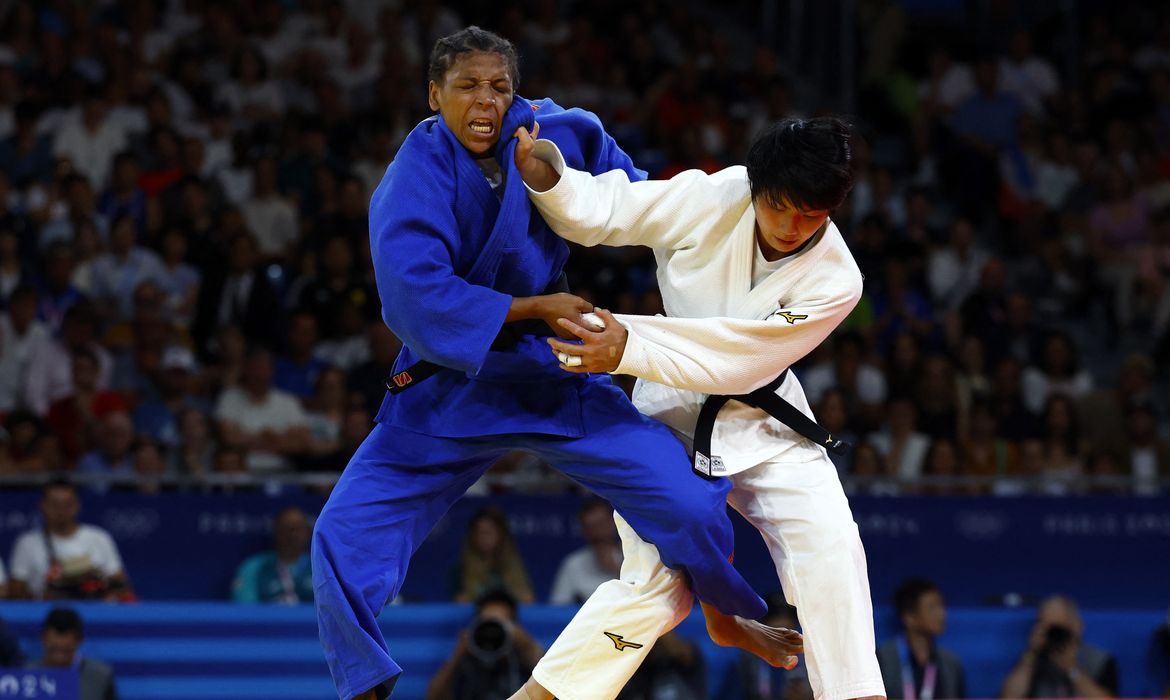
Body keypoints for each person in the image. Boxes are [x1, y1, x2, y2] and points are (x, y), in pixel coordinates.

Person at [311, 26, 791, 700]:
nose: (485, 102)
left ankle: (722, 611)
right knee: (343, 533)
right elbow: (417, 295)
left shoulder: (552, 131)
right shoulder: (411, 179)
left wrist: (586, 198)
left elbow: (633, 200)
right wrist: (534, 307)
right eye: (467, 87)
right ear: (433, 95)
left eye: (498, 87)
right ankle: (364, 685)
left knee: (686, 499)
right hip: (451, 382)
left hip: (549, 370)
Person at [512, 116, 884, 700]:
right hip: (672, 415)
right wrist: (546, 176)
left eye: (811, 215)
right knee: (655, 588)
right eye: (780, 206)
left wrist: (629, 344)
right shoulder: (715, 196)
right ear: (755, 186)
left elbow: (745, 359)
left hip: (765, 420)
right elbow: (615, 209)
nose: (791, 227)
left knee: (832, 544)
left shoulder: (838, 278)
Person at [8, 479, 133, 601]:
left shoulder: (99, 537)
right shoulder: (27, 543)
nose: (61, 510)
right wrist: (41, 595)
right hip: (46, 613)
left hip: (95, 611)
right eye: (55, 504)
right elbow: (15, 592)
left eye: (67, 504)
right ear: (42, 505)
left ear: (77, 505)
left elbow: (120, 583)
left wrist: (94, 583)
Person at [425, 589, 543, 700]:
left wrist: (527, 645)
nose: (492, 631)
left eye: (500, 624)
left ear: (514, 627)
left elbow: (555, 688)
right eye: (489, 623)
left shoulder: (521, 658)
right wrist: (457, 655)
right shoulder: (467, 659)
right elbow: (433, 697)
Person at [999, 595, 1118, 698]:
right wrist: (1031, 653)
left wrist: (1072, 670)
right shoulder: (1032, 659)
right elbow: (1009, 697)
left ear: (1078, 627)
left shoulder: (1099, 660)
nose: (1055, 636)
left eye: (1059, 629)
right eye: (1049, 629)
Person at [876, 578, 966, 699]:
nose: (941, 614)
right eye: (932, 607)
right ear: (909, 617)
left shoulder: (951, 663)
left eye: (941, 606)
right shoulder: (882, 659)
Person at [29, 608, 117, 700]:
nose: (59, 657)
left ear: (79, 641)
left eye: (66, 650)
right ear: (43, 639)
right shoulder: (26, 675)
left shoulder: (101, 677)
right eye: (53, 649)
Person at [450, 507, 534, 604]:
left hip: (508, 619)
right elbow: (461, 603)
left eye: (489, 532)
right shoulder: (460, 570)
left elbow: (528, 600)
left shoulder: (515, 568)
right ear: (472, 536)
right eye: (480, 532)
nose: (485, 537)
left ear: (501, 535)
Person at [232, 506, 314, 604]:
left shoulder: (320, 567)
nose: (292, 535)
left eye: (298, 529)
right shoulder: (254, 567)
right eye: (287, 529)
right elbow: (245, 609)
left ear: (309, 533)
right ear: (276, 532)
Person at [548, 499, 622, 605]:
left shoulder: (632, 557)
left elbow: (644, 596)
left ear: (613, 523)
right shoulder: (573, 563)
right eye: (591, 527)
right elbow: (558, 606)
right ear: (584, 530)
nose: (598, 532)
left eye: (601, 524)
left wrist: (615, 569)